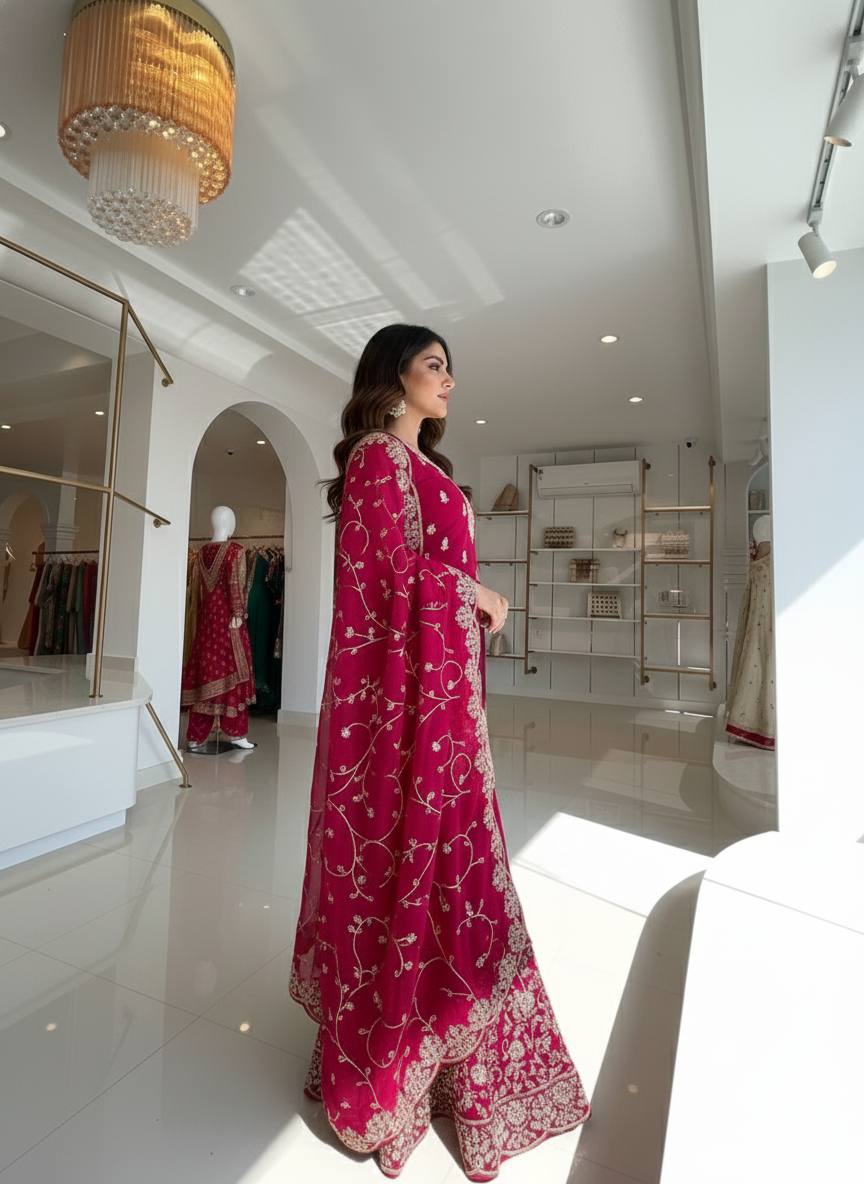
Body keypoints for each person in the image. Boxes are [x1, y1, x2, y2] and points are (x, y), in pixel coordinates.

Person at [290, 324, 590, 1179]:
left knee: (453, 869)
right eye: (434, 365)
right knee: (419, 864)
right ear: (394, 375)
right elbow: (384, 578)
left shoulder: (426, 467)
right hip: (407, 716)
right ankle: (400, 1064)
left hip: (445, 706)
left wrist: (462, 601)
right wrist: (473, 592)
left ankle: (446, 1059)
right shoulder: (378, 459)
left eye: (450, 367)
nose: (449, 379)